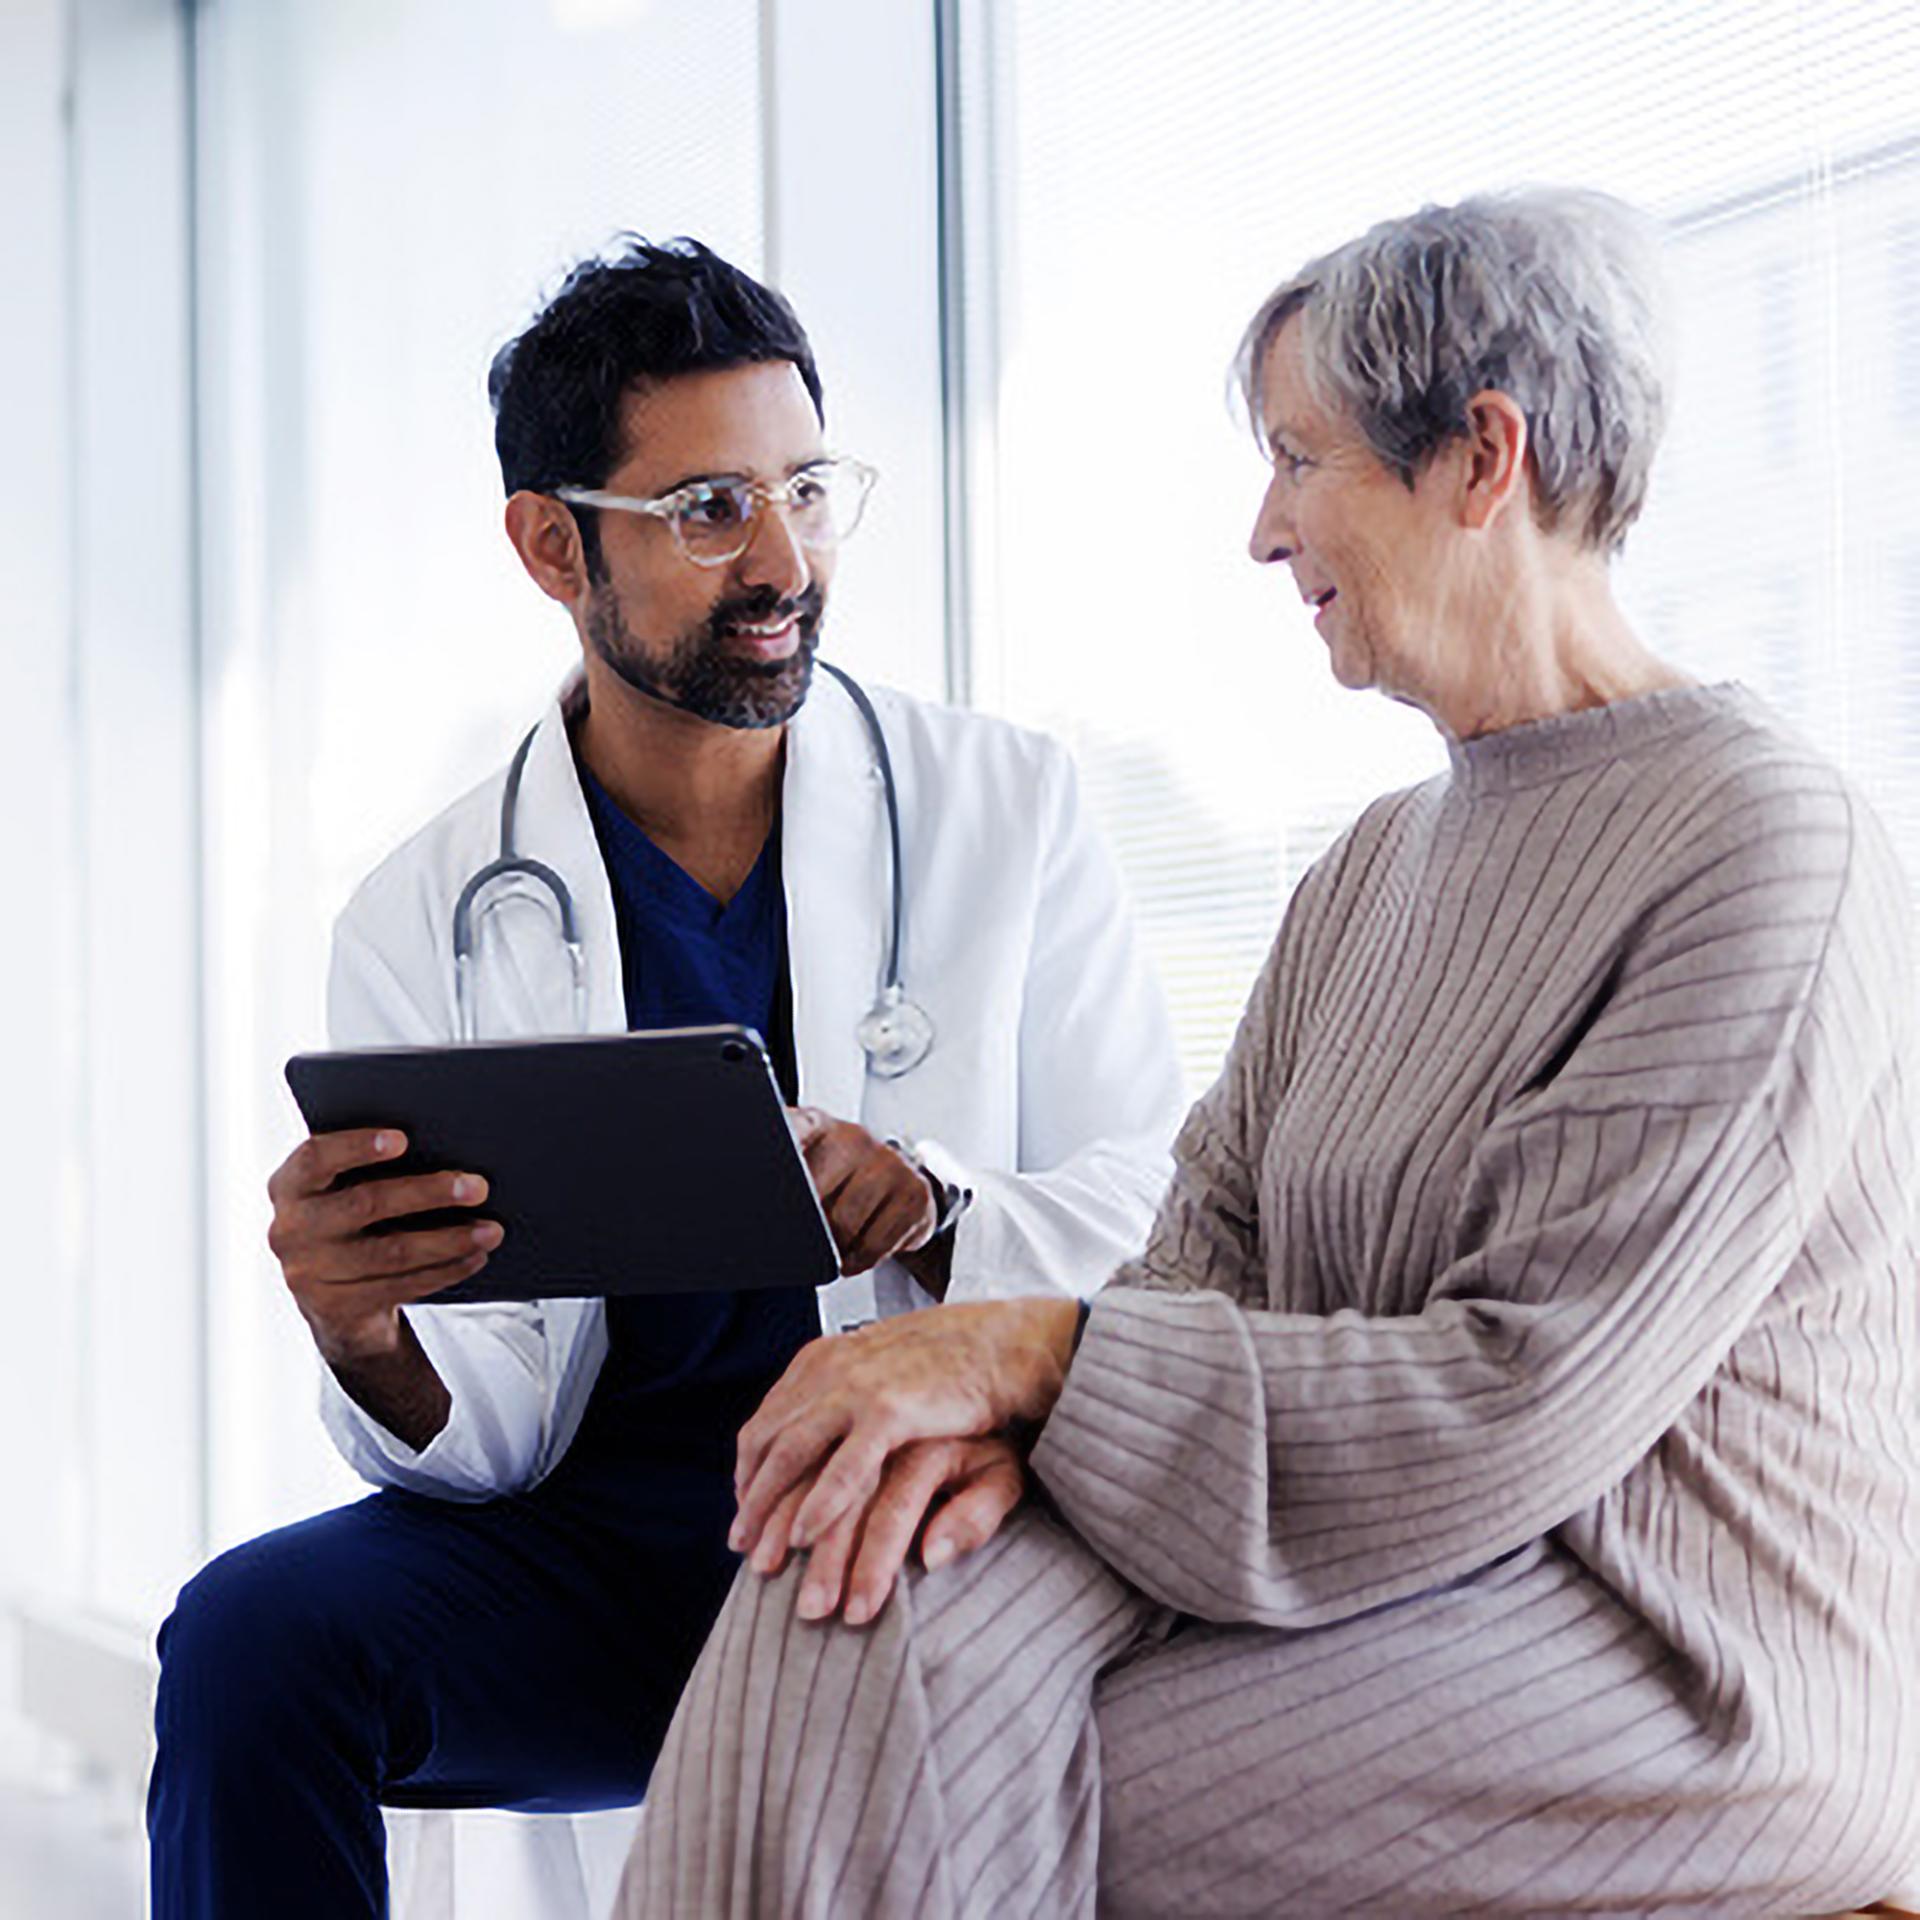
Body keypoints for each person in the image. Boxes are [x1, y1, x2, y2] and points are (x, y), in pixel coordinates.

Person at [615, 190, 1920, 1917]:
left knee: (978, 1774)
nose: (1259, 529)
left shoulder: (1764, 851)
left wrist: (1030, 1364)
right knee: (839, 1588)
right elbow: (1202, 1262)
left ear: (1481, 456)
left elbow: (1515, 1396)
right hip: (1372, 1563)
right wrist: (985, 1416)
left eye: (1300, 460)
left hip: (1671, 1652)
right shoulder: (1372, 867)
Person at [145, 237, 1185, 1920]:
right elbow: (476, 1440)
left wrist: (940, 1203)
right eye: (707, 508)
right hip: (598, 1560)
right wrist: (364, 1333)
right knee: (251, 1647)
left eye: (807, 489)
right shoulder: (425, 917)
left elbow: (1163, 1207)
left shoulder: (1009, 810)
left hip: (907, 1510)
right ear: (555, 546)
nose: (782, 556)